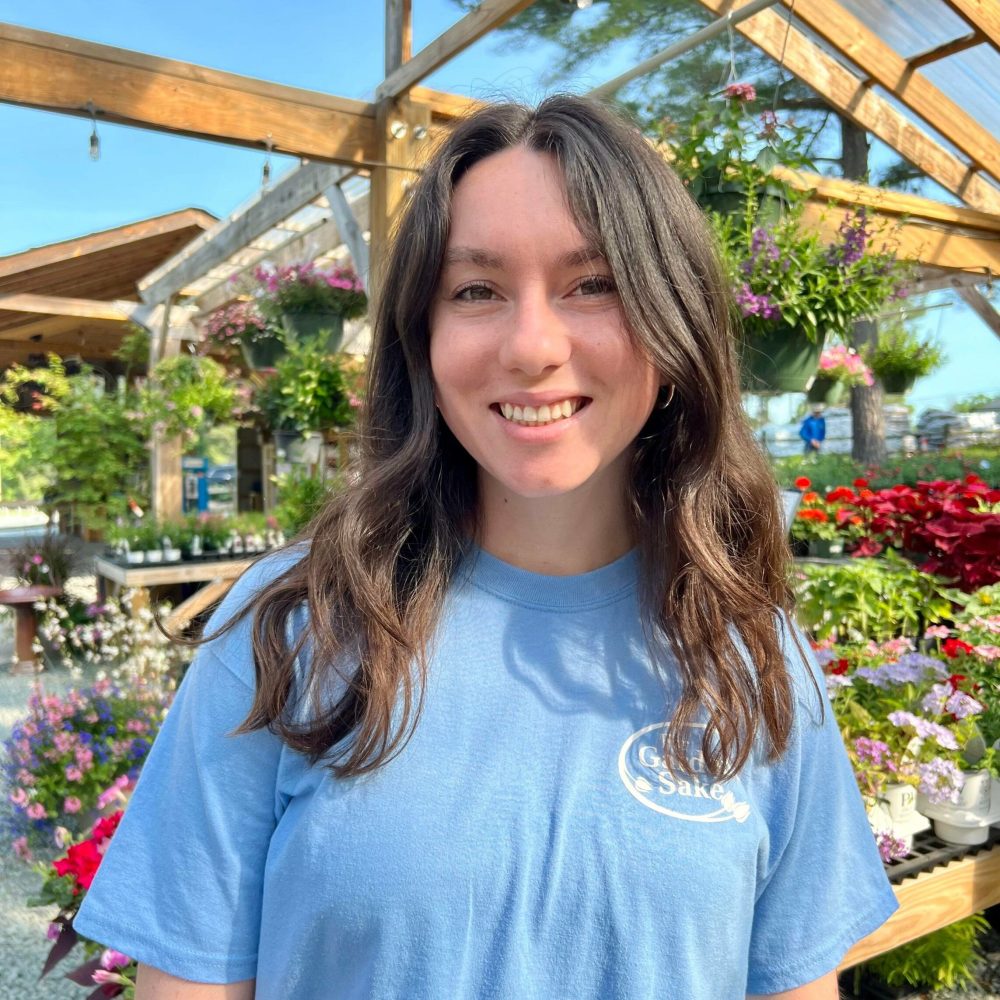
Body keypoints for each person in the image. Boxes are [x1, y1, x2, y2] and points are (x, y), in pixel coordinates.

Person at [75, 96, 896, 999]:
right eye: (476, 291)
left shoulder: (752, 651)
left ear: (676, 324)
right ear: (421, 342)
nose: (532, 345)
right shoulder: (288, 631)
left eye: (594, 283)